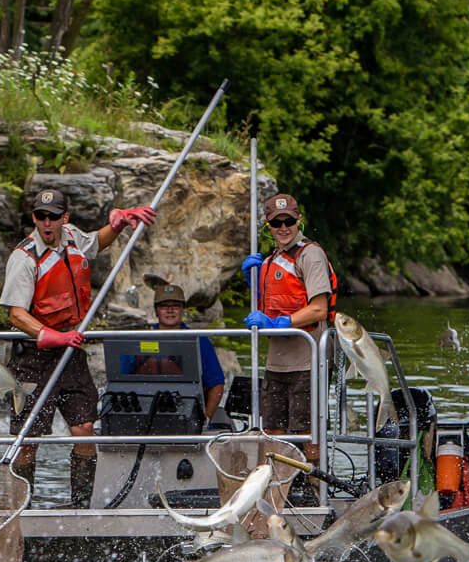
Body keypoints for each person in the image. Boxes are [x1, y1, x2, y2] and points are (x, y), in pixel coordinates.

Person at [0, 187, 154, 506]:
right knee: (29, 438)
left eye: (53, 217)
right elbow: (16, 315)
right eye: (41, 216)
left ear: (64, 218)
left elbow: (96, 242)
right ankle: (22, 508)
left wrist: (120, 224)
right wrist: (51, 336)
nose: (47, 222)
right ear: (34, 218)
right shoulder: (24, 257)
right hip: (33, 356)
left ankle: (81, 505)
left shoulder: (71, 236)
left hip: (71, 352)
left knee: (84, 427)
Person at [240, 192, 336, 497]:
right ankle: (279, 492)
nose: (284, 227)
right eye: (277, 223)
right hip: (276, 363)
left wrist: (282, 323)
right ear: (268, 226)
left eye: (289, 221)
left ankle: (313, 490)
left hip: (308, 361)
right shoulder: (267, 261)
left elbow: (319, 308)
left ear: (299, 220)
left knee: (308, 434)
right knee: (275, 433)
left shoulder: (310, 255)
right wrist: (252, 281)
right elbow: (266, 304)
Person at [139, 282, 226, 418]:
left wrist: (205, 420)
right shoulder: (140, 339)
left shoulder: (200, 340)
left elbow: (216, 384)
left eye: (175, 306)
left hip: (188, 412)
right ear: (156, 310)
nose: (170, 310)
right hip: (146, 410)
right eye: (164, 306)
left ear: (183, 310)